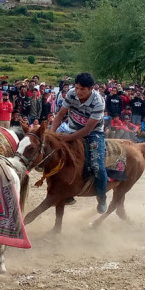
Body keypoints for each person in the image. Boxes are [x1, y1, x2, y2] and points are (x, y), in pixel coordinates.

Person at [50, 71, 109, 214]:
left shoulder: (99, 102)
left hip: (94, 133)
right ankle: (67, 192)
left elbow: (87, 130)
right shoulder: (71, 94)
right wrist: (52, 133)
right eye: (77, 87)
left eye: (82, 89)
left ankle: (102, 197)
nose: (78, 91)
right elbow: (60, 114)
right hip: (72, 129)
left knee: (97, 166)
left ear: (91, 88)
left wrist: (66, 138)